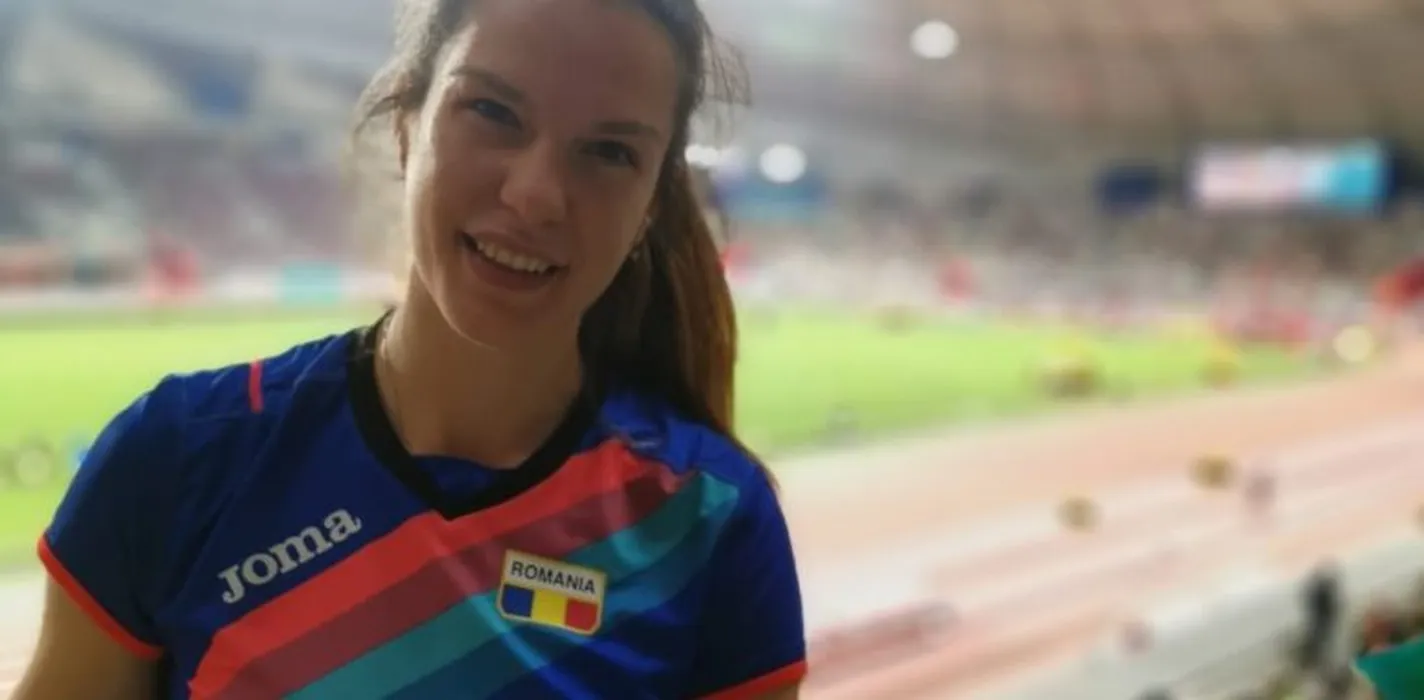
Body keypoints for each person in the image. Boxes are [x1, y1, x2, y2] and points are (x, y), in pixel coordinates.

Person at [12, 0, 806, 698]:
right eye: (492, 110)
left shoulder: (711, 519)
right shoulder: (178, 456)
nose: (534, 194)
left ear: (648, 210)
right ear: (405, 126)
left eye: (609, 152)